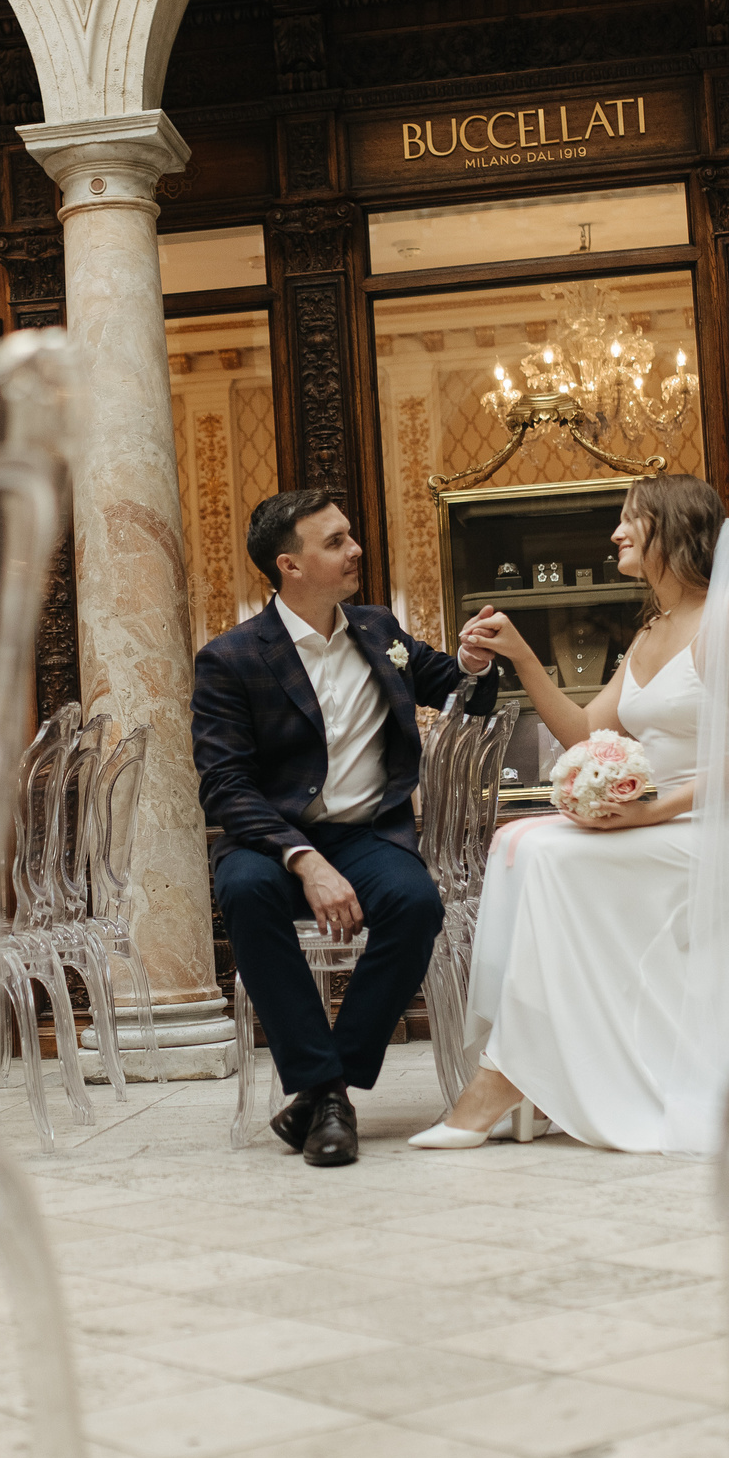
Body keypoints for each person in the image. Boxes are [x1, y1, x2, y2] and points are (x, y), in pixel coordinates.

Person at [413, 473, 729, 1154]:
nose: (615, 531)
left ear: (672, 531)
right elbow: (586, 729)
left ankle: (504, 1078)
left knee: (555, 859)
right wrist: (522, 655)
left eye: (630, 519)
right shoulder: (652, 629)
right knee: (517, 842)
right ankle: (528, 1062)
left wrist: (652, 811)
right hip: (680, 818)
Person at [192, 491, 500, 1166]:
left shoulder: (378, 630)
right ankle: (325, 1089)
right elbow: (224, 785)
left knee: (415, 903)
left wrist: (475, 661)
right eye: (334, 541)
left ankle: (321, 1089)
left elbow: (458, 691)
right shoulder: (231, 658)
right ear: (290, 564)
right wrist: (302, 857)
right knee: (243, 892)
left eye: (350, 535)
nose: (354, 549)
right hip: (272, 842)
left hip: (367, 836)